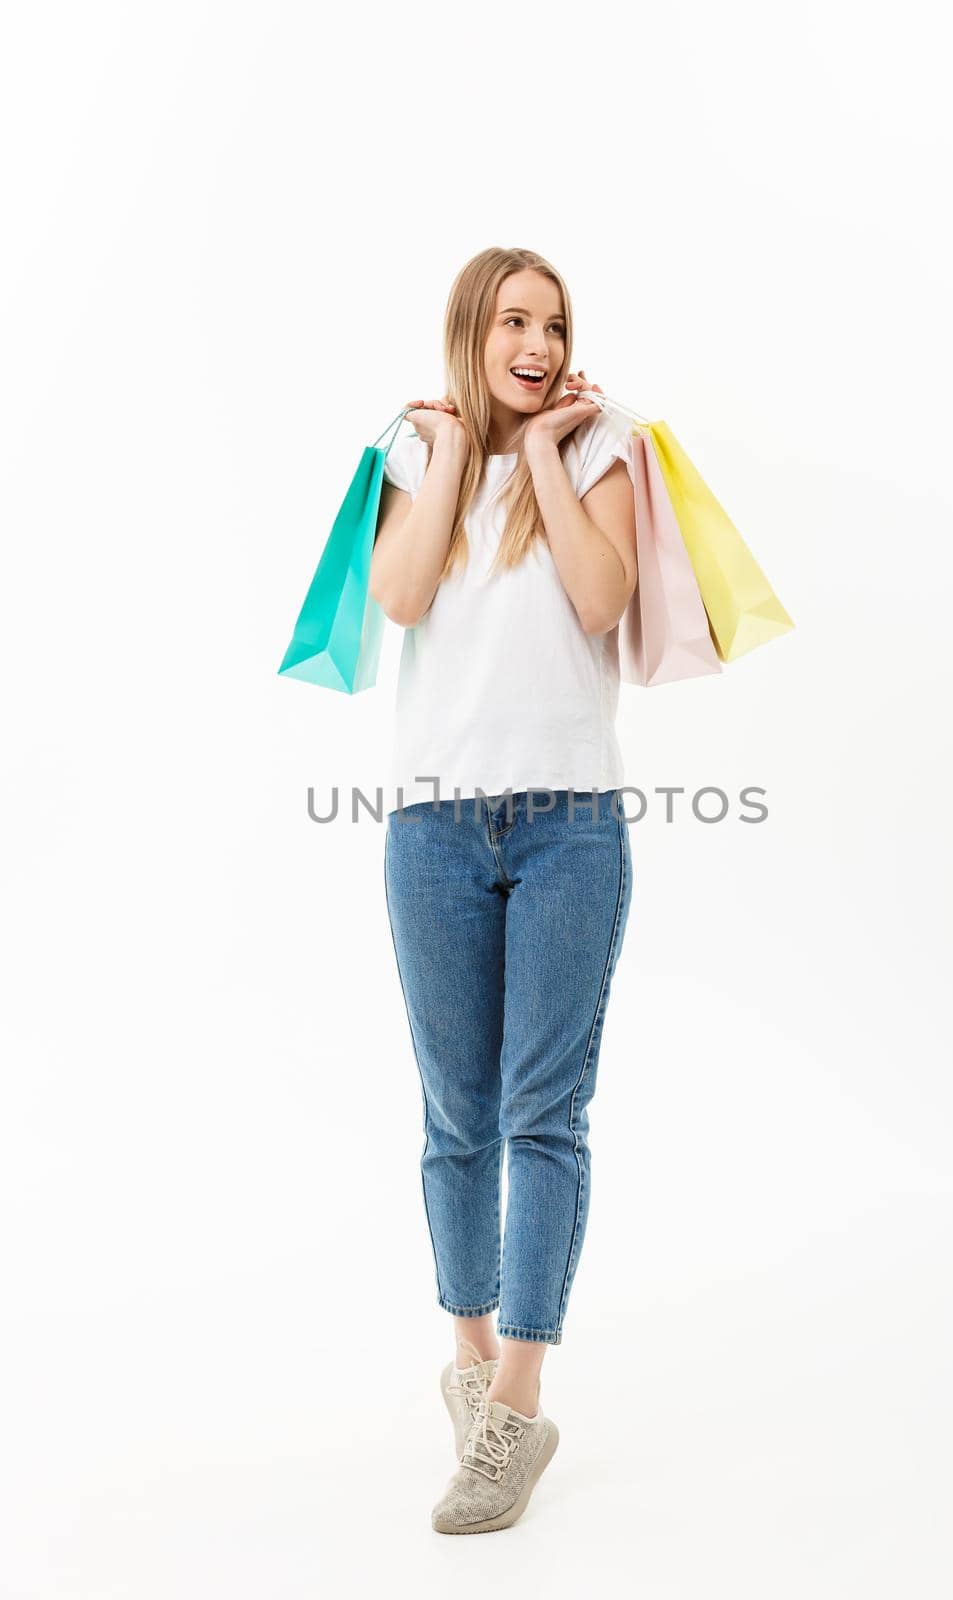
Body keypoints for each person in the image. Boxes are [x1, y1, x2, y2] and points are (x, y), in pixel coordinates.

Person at [370, 246, 636, 1534]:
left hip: (568, 829)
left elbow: (601, 601)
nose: (536, 343)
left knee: (544, 1113)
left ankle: (517, 1411)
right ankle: (471, 1369)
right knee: (453, 1114)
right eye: (513, 321)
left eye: (556, 323)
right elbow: (402, 594)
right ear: (471, 331)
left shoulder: (600, 447)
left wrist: (542, 450)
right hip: (431, 827)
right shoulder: (413, 455)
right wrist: (450, 454)